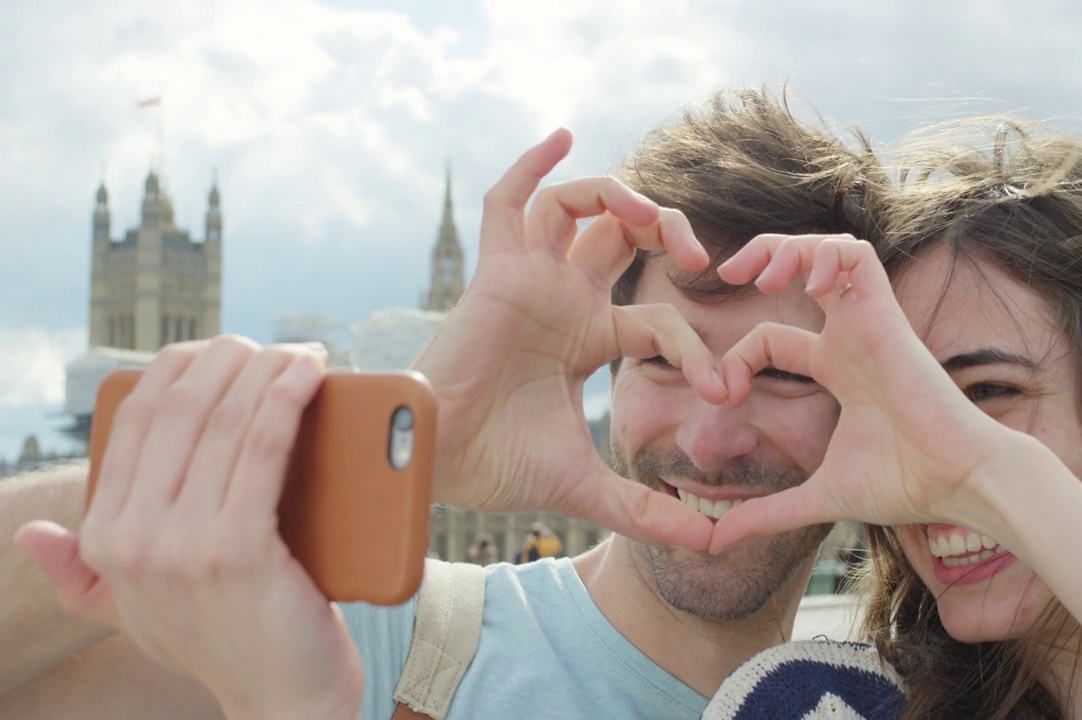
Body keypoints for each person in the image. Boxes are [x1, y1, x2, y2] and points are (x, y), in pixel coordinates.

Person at [2, 88, 878, 719]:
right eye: (664, 356)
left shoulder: (935, 694)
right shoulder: (370, 641)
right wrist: (358, 458)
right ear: (605, 366)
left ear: (867, 400)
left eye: (785, 373)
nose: (713, 434)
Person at [700, 120, 1082, 718]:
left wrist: (997, 477)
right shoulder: (816, 703)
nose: (933, 455)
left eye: (990, 390)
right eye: (899, 410)